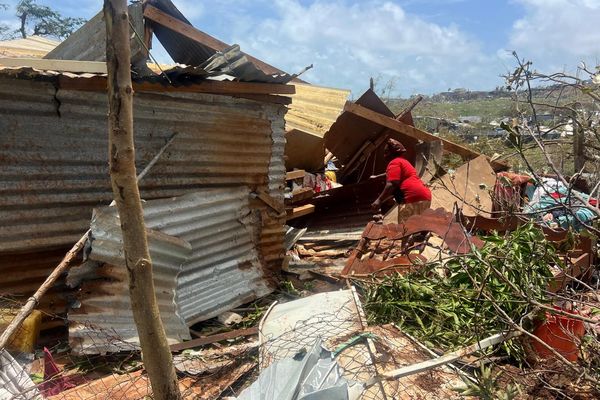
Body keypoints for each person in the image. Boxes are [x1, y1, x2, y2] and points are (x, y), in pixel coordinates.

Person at [371, 138, 431, 223]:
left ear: (390, 153)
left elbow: (392, 183)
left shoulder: (394, 163)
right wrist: (377, 176)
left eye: (386, 152)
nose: (384, 155)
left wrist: (379, 200)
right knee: (420, 227)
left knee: (405, 230)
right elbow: (391, 173)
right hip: (424, 196)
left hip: (411, 197)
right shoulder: (403, 162)